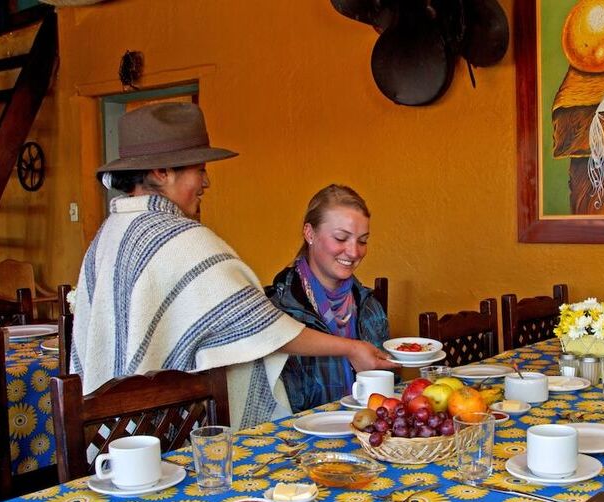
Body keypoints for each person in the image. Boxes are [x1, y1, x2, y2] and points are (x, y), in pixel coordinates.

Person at [70, 102, 393, 429]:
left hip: (111, 431)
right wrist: (351, 348)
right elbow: (267, 328)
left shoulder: (109, 234)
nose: (206, 182)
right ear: (162, 172)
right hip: (168, 430)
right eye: (199, 170)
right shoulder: (181, 240)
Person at [268, 185, 389, 412]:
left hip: (365, 428)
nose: (354, 252)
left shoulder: (369, 305)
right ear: (309, 233)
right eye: (341, 238)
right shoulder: (278, 308)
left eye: (363, 241)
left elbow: (384, 393)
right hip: (301, 432)